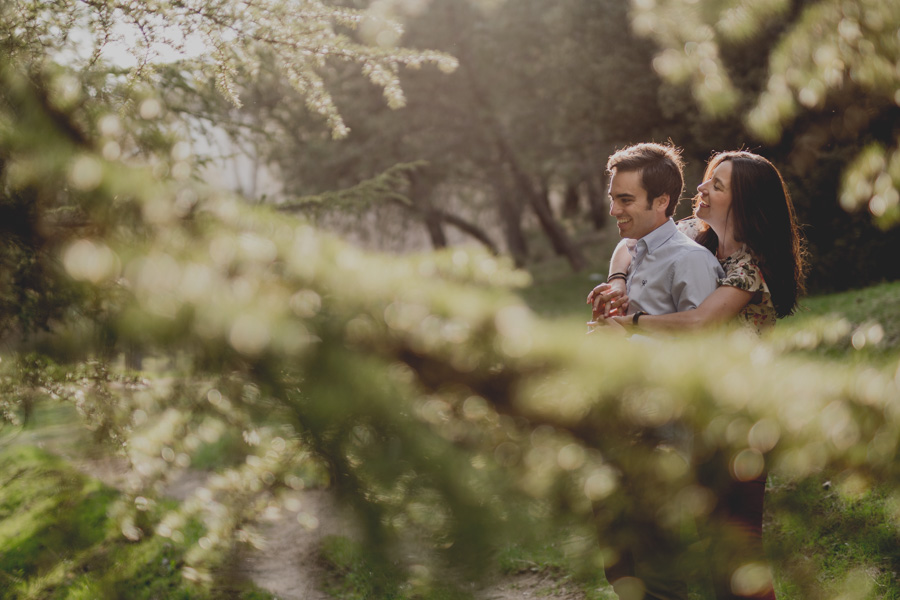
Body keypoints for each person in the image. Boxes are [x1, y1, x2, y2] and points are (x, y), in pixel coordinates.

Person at [588, 150, 808, 600]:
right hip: (699, 408)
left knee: (736, 550)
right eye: (707, 180)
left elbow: (700, 322)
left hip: (741, 415)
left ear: (743, 202)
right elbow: (633, 243)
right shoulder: (696, 235)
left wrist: (631, 323)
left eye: (717, 185)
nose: (702, 190)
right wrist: (616, 283)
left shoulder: (749, 264)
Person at [588, 142, 724, 600]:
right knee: (620, 562)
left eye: (625, 199)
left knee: (660, 567)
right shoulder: (635, 250)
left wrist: (629, 337)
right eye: (613, 197)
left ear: (661, 201)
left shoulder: (690, 261)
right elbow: (623, 253)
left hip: (666, 429)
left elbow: (702, 353)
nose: (614, 209)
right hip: (622, 418)